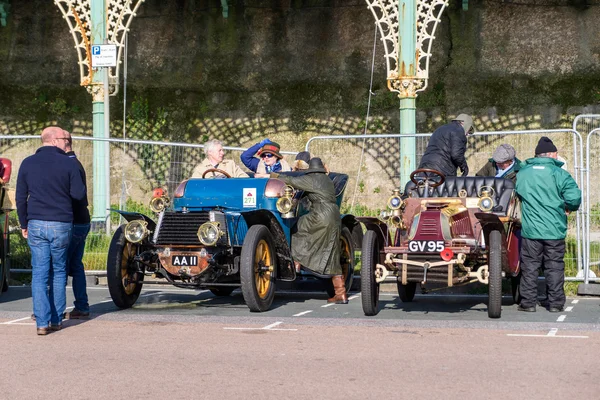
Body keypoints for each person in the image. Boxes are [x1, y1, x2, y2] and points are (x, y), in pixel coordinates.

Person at [16, 126, 86, 335]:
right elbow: (79, 195)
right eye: (64, 138)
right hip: (61, 223)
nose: (67, 142)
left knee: (39, 273)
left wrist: (23, 224)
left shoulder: (27, 163)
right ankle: (56, 319)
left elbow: (20, 198)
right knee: (59, 271)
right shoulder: (69, 163)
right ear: (55, 140)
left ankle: (42, 322)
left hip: (35, 222)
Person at [515, 136, 581, 313]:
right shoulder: (560, 174)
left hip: (531, 230)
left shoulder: (522, 174)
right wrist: (567, 207)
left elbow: (518, 195)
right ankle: (556, 303)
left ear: (537, 155)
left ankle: (528, 303)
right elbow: (574, 198)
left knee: (529, 266)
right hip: (554, 229)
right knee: (554, 266)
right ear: (553, 154)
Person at [270, 158, 347, 304]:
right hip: (334, 215)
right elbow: (308, 193)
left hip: (321, 215)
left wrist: (274, 176)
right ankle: (340, 293)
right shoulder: (326, 180)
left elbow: (292, 181)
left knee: (296, 228)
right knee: (332, 251)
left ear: (311, 170)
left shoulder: (313, 179)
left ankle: (297, 261)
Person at [63, 131, 91, 319]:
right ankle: (82, 305)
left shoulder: (69, 164)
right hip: (83, 220)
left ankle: (49, 309)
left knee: (59, 266)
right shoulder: (76, 163)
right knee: (76, 265)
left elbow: (76, 195)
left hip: (73, 221)